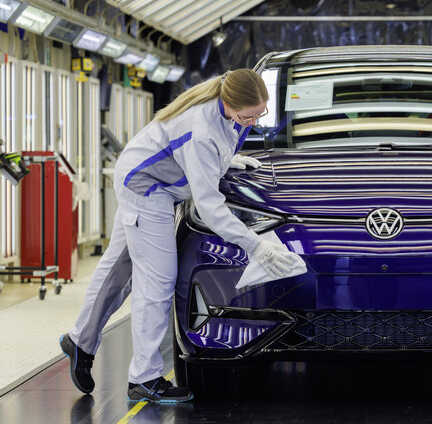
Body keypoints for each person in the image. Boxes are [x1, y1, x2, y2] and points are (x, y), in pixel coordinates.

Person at [59, 69, 299, 403]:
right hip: (147, 189)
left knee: (119, 271)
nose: (255, 121)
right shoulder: (199, 130)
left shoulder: (226, 110)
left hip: (150, 179)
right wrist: (257, 246)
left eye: (261, 114)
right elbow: (211, 208)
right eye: (248, 116)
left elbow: (220, 142)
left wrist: (227, 161)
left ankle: (79, 341)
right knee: (157, 281)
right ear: (228, 104)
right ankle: (143, 378)